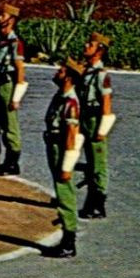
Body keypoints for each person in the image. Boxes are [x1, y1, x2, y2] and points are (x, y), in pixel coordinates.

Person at [40, 58, 84, 259]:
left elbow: (71, 135)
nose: (57, 72)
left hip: (61, 148)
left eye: (61, 70)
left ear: (68, 77)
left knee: (64, 192)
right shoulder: (60, 97)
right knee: (61, 190)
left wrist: (67, 164)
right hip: (53, 144)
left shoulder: (70, 103)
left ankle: (69, 240)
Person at [0, 2, 26, 174]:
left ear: (11, 19)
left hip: (7, 85)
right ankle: (3, 158)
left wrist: (17, 96)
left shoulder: (14, 42)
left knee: (10, 124)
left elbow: (20, 68)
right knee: (0, 122)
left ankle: (12, 161)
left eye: (3, 15)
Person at [80, 32, 115, 219]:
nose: (86, 46)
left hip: (95, 119)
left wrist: (103, 129)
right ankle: (91, 202)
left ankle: (98, 204)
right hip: (85, 118)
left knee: (98, 164)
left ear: (99, 50)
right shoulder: (86, 71)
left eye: (91, 44)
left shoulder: (101, 75)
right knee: (90, 163)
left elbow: (106, 103)